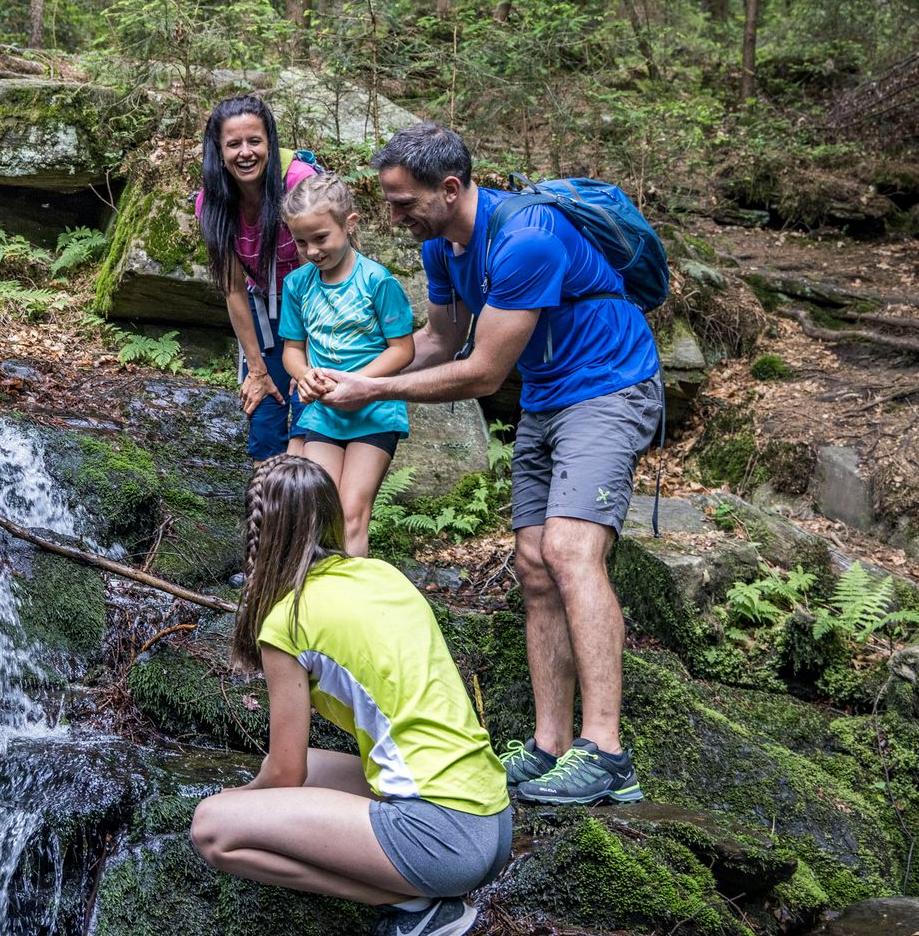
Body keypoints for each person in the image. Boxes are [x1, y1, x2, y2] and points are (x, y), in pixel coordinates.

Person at [308, 120, 662, 806]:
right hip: (549, 395)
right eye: (386, 199)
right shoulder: (444, 245)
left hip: (611, 386)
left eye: (402, 200)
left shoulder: (527, 239)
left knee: (569, 547)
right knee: (533, 563)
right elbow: (440, 339)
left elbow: (480, 371)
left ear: (449, 187)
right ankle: (549, 745)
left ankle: (608, 752)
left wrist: (374, 391)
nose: (391, 214)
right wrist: (344, 372)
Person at [190, 456, 512, 936]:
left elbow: (284, 776)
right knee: (300, 769)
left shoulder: (287, 620)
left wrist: (237, 802)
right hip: (491, 821)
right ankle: (427, 895)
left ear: (260, 533)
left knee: (212, 829)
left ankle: (419, 908)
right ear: (330, 515)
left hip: (444, 838)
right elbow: (295, 770)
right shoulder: (380, 575)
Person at [277, 173, 416, 556]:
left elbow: (403, 350)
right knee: (318, 511)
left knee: (352, 512)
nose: (312, 250)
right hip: (324, 413)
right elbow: (292, 350)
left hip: (375, 411)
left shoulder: (377, 281)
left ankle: (354, 604)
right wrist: (304, 376)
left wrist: (358, 384)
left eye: (321, 238)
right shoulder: (298, 285)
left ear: (349, 224)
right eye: (301, 241)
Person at [195, 95, 319, 461]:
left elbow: (314, 274)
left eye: (255, 141)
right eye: (233, 144)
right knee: (265, 419)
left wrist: (305, 358)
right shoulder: (211, 202)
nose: (245, 152)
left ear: (270, 143)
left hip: (316, 308)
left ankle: (312, 510)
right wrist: (258, 370)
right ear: (219, 152)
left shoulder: (298, 182)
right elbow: (233, 289)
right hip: (262, 308)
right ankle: (267, 511)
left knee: (310, 419)